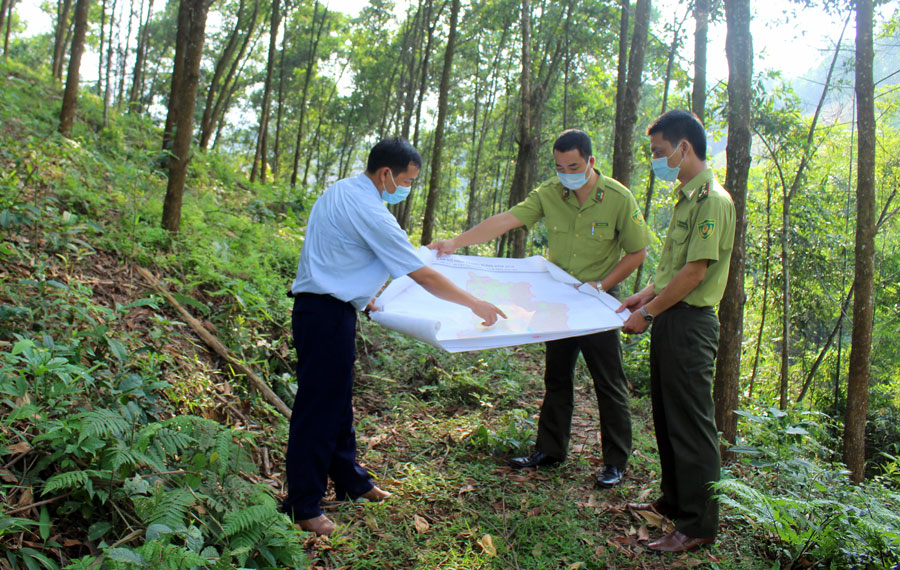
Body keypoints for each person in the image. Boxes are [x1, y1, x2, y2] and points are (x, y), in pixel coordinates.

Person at [283, 137, 506, 536]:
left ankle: (352, 480)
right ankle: (304, 504)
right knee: (317, 409)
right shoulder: (372, 211)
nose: (407, 188)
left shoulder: (340, 190)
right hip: (325, 313)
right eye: (408, 180)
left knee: (335, 402)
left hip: (324, 308)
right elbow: (422, 275)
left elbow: (335, 252)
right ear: (387, 173)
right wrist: (474, 303)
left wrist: (362, 297)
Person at [429, 129, 649, 488]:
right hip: (559, 301)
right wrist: (455, 242)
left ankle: (615, 463)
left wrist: (603, 285)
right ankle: (549, 451)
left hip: (597, 302)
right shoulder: (550, 192)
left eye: (574, 165)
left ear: (591, 161)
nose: (566, 172)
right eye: (560, 166)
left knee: (608, 383)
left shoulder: (618, 198)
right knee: (557, 378)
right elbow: (506, 220)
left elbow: (638, 252)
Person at [618, 110, 735, 553]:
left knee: (691, 424)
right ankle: (672, 501)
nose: (657, 160)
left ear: (684, 147)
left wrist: (648, 315)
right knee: (667, 416)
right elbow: (671, 271)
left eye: (660, 152)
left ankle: (699, 523)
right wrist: (643, 297)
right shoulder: (686, 198)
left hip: (690, 323)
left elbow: (695, 273)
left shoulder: (712, 200)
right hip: (670, 314)